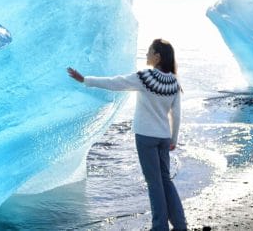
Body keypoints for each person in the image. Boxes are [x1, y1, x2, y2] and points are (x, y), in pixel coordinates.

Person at [67, 38, 187, 231]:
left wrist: (85, 80)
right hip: (164, 137)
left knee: (154, 183)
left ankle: (159, 227)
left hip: (145, 136)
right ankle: (180, 225)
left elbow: (116, 83)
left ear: (157, 56)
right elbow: (177, 114)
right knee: (165, 180)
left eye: (150, 51)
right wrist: (173, 139)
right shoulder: (174, 82)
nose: (147, 54)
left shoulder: (145, 78)